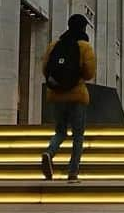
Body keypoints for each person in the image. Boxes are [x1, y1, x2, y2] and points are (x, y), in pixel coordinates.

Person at [41, 15, 97, 181]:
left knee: (60, 131)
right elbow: (89, 73)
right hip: (77, 96)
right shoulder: (84, 47)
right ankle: (72, 172)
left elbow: (45, 69)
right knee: (78, 135)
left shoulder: (55, 45)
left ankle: (49, 153)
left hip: (56, 96)